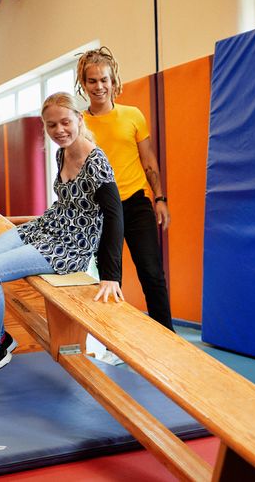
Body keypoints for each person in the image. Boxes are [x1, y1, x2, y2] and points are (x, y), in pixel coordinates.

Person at [0, 92, 124, 387]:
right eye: (51, 125)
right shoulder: (61, 153)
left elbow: (115, 216)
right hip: (46, 226)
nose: (59, 130)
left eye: (65, 122)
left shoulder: (96, 161)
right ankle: (1, 339)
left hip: (69, 247)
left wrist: (111, 275)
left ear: (79, 119)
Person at [76, 46, 174, 332]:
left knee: (152, 273)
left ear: (113, 81)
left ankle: (166, 335)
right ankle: (114, 337)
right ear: (83, 84)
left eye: (104, 79)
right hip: (101, 210)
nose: (99, 86)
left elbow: (149, 161)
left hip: (135, 204)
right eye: (92, 81)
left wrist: (160, 198)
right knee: (110, 279)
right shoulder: (79, 123)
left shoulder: (133, 115)